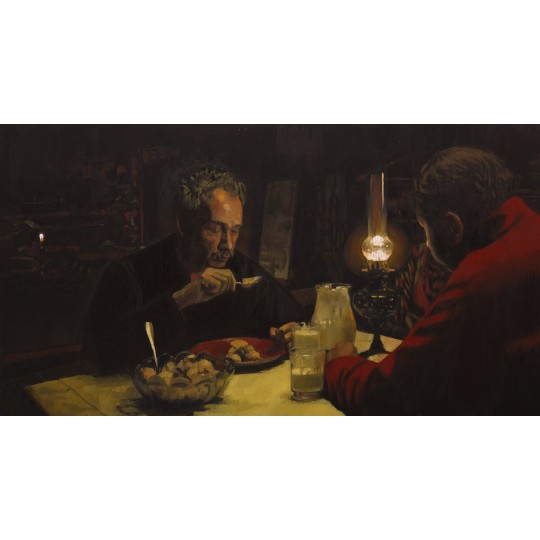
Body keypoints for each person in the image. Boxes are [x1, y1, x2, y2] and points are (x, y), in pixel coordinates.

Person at [324, 147, 540, 415]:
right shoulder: (530, 230)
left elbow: (389, 392)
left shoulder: (479, 275)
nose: (426, 243)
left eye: (425, 229)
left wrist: (338, 366)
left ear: (453, 227)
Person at [85, 162, 304, 372]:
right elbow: (101, 354)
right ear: (182, 223)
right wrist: (180, 300)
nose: (228, 245)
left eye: (234, 230)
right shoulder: (130, 273)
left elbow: (296, 319)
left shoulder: (244, 273)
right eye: (214, 229)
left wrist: (295, 332)